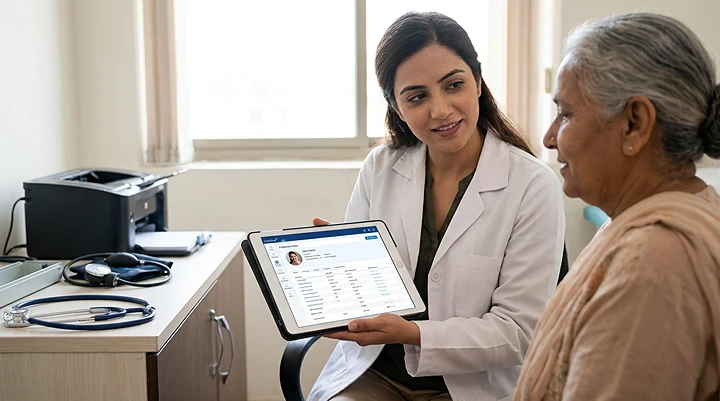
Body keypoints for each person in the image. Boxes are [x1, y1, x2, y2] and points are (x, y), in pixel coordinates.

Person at [308, 11, 566, 401]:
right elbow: (364, 295)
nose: (441, 110)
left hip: (475, 386)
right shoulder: (381, 167)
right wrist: (337, 271)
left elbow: (519, 332)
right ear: (396, 106)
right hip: (375, 376)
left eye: (454, 85)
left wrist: (413, 334)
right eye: (417, 97)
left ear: (478, 83)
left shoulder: (532, 185)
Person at [513, 12, 720, 401]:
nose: (550, 137)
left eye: (566, 113)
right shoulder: (656, 219)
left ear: (634, 124)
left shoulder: (651, 264)